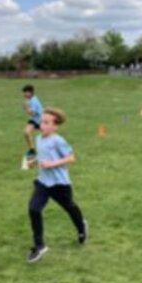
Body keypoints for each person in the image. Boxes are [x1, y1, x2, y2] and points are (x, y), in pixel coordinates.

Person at [26, 107, 88, 264]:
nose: (43, 125)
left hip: (60, 184)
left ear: (55, 126)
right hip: (43, 182)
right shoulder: (39, 138)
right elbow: (42, 155)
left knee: (70, 208)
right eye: (42, 122)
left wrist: (53, 163)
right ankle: (39, 246)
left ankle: (81, 227)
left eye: (47, 123)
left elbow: (71, 158)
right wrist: (34, 162)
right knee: (34, 209)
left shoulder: (58, 141)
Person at [22, 84, 43, 160]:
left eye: (25, 92)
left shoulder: (34, 100)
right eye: (23, 92)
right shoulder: (29, 99)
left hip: (40, 120)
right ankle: (32, 150)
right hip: (33, 120)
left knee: (47, 136)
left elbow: (33, 113)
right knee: (26, 132)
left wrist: (26, 109)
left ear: (31, 93)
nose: (24, 94)